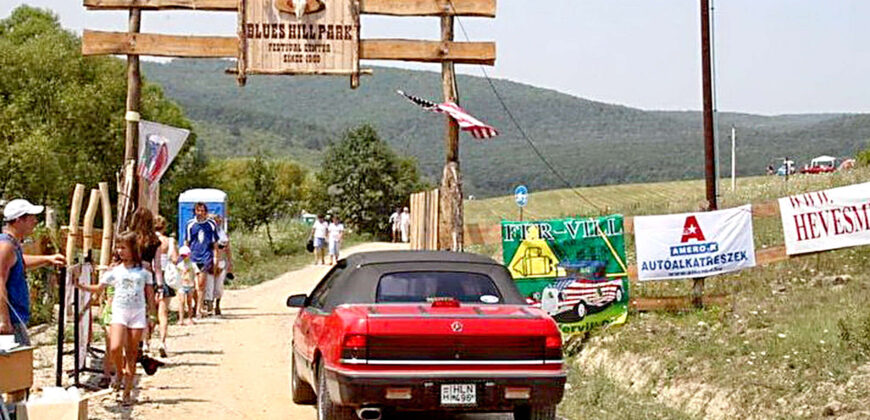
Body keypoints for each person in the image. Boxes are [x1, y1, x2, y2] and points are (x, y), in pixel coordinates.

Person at [76, 231, 153, 405]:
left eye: (123, 247)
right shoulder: (114, 271)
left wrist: (152, 315)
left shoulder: (144, 271)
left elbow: (149, 293)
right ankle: (119, 371)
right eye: (118, 247)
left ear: (133, 249)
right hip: (119, 311)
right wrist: (80, 285)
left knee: (132, 354)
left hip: (138, 313)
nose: (120, 251)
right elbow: (99, 288)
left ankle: (127, 392)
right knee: (115, 346)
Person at [0, 199, 66, 347]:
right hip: (11, 319)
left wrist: (47, 259)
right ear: (18, 220)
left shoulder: (11, 245)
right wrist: (4, 321)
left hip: (16, 318)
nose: (35, 221)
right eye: (31, 218)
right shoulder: (5, 247)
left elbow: (18, 261)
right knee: (16, 366)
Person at [130, 208, 161, 354]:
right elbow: (158, 266)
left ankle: (130, 343)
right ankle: (141, 343)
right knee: (144, 311)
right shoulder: (155, 241)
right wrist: (160, 286)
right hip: (147, 278)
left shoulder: (129, 238)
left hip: (129, 276)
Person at [184, 202, 219, 318]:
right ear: (195, 211)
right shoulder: (190, 225)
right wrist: (185, 258)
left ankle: (199, 309)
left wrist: (215, 259)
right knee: (192, 285)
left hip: (205, 257)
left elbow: (215, 244)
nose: (201, 213)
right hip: (193, 257)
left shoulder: (211, 225)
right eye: (198, 211)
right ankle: (195, 305)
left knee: (201, 284)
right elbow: (187, 242)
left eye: (203, 211)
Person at [154, 215, 178, 357]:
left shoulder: (147, 240)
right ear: (164, 226)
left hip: (150, 276)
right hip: (164, 278)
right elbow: (175, 259)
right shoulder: (169, 241)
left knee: (148, 312)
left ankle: (145, 344)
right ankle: (162, 342)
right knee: (163, 314)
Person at [207, 215, 232, 316]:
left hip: (221, 261)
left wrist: (230, 264)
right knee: (208, 285)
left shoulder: (223, 235)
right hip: (208, 261)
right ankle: (209, 305)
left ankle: (217, 305)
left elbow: (228, 250)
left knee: (219, 285)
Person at [176, 246, 196, 326]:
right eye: (182, 256)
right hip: (181, 285)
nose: (184, 257)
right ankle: (181, 319)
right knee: (181, 302)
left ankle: (190, 318)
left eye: (185, 255)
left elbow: (196, 274)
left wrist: (196, 284)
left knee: (189, 302)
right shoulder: (179, 265)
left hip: (190, 285)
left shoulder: (193, 265)